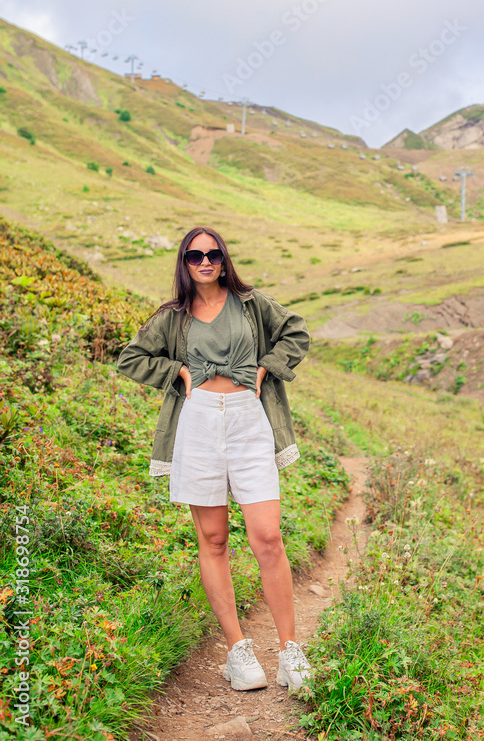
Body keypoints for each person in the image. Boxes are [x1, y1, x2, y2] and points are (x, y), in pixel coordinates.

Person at [116, 225, 312, 692]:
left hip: (248, 419)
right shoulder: (173, 317)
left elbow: (296, 333)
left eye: (213, 253)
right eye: (194, 255)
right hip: (199, 422)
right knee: (215, 539)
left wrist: (266, 367)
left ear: (224, 258)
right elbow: (131, 358)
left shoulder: (251, 304)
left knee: (267, 536)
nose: (205, 262)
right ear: (184, 262)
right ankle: (238, 651)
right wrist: (177, 370)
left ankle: (289, 651)